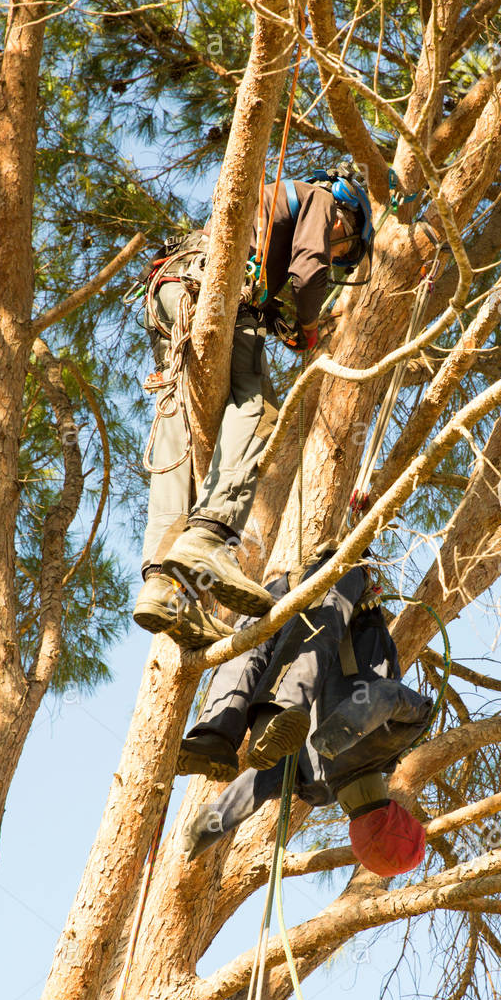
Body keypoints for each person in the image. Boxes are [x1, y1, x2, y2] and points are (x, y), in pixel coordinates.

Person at [133, 166, 374, 649]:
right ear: (347, 218)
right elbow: (308, 273)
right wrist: (308, 327)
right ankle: (209, 537)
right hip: (213, 288)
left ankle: (165, 587)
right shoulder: (321, 201)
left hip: (169, 291)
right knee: (255, 403)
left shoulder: (275, 206)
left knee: (178, 425)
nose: (338, 254)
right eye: (345, 249)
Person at [177, 552, 432, 878]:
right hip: (333, 608)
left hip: (317, 616)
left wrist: (214, 822)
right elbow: (384, 696)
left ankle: (216, 733)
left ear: (400, 814)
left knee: (252, 640)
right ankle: (222, 727)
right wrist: (213, 822)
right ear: (357, 840)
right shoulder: (320, 785)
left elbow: (265, 778)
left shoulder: (381, 749)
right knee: (259, 637)